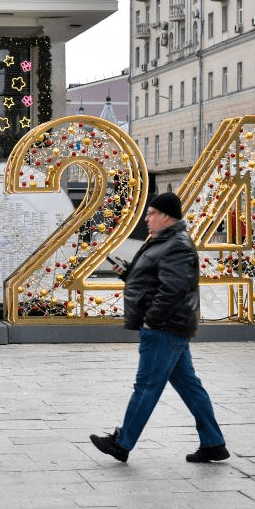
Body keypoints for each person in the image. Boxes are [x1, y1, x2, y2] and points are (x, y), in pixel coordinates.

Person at [90, 192, 229, 464]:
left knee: (146, 386)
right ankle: (214, 443)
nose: (147, 218)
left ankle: (122, 443)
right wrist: (128, 274)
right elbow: (157, 278)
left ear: (166, 216)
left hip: (164, 327)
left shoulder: (177, 244)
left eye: (152, 213)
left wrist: (152, 319)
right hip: (170, 327)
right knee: (189, 386)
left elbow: (173, 289)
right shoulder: (162, 240)